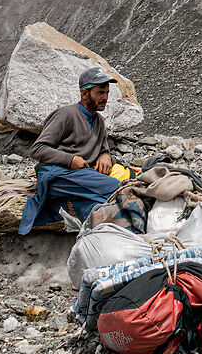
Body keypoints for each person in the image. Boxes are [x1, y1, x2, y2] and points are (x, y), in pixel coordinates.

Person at [20, 68, 125, 234]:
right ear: (84, 94)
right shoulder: (66, 114)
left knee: (100, 203)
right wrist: (70, 160)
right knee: (115, 186)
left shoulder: (99, 121)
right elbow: (38, 149)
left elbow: (104, 149)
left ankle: (97, 232)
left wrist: (106, 156)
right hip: (57, 175)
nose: (105, 98)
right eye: (100, 93)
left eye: (107, 93)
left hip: (81, 176)